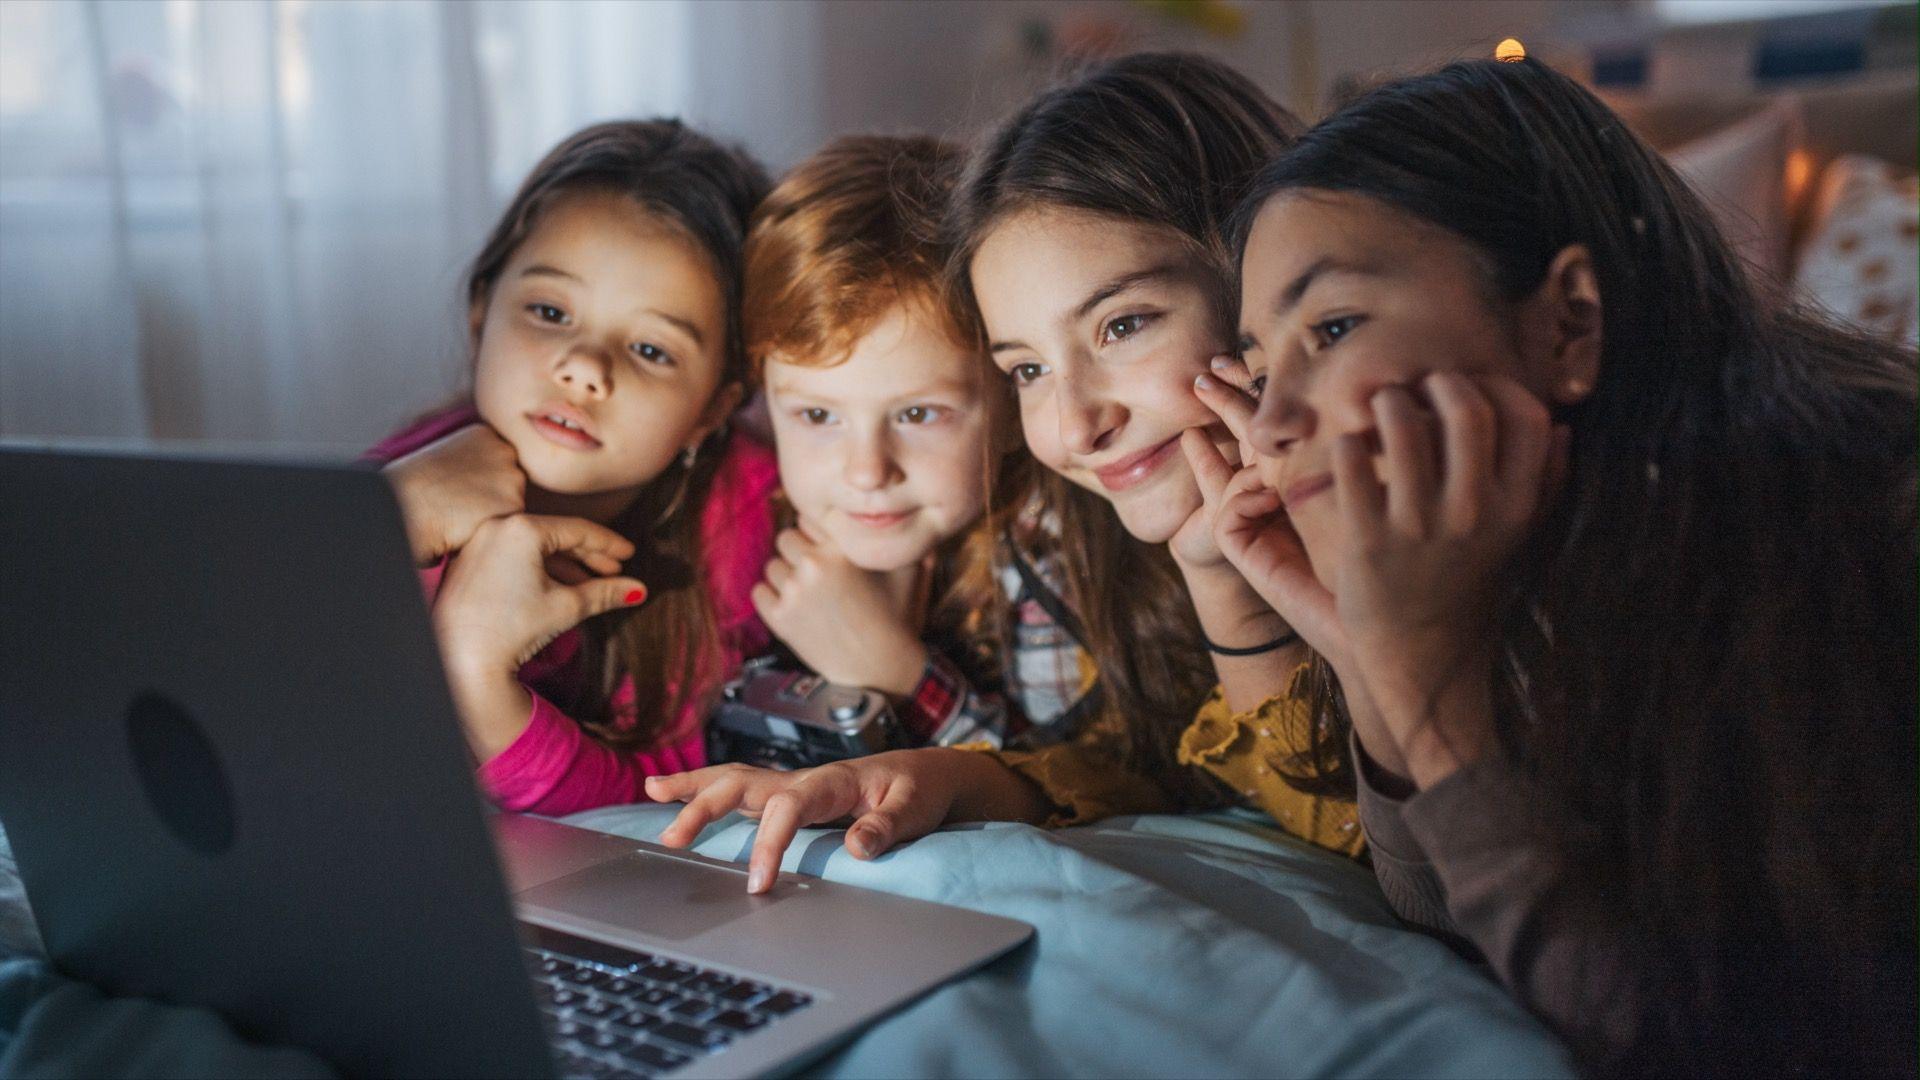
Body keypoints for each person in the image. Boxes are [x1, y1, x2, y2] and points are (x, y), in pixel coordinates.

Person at [1208, 57, 1917, 1076]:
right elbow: (1452, 916)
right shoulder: (1543, 546)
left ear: (1568, 321)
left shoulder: (1855, 544)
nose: (1271, 424)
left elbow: (1680, 1037)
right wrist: (1368, 651)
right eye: (1262, 364)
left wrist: (1417, 668)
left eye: (1333, 327)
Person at [649, 53, 1365, 897]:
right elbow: (1132, 770)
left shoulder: (1084, 530)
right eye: (1027, 370)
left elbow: (1325, 821)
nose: (1076, 425)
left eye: (1123, 325)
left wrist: (901, 680)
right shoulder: (1110, 524)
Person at [368, 120, 778, 816]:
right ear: (480, 314)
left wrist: (478, 677)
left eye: (651, 350)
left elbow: (658, 807)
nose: (584, 368)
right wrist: (388, 521)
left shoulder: (742, 517)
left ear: (714, 408)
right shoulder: (402, 486)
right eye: (550, 311)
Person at [735, 134, 1035, 748]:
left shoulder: (1046, 551)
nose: (868, 472)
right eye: (817, 416)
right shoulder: (748, 523)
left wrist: (893, 672)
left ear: (1009, 407)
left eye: (920, 414)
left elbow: (1083, 791)